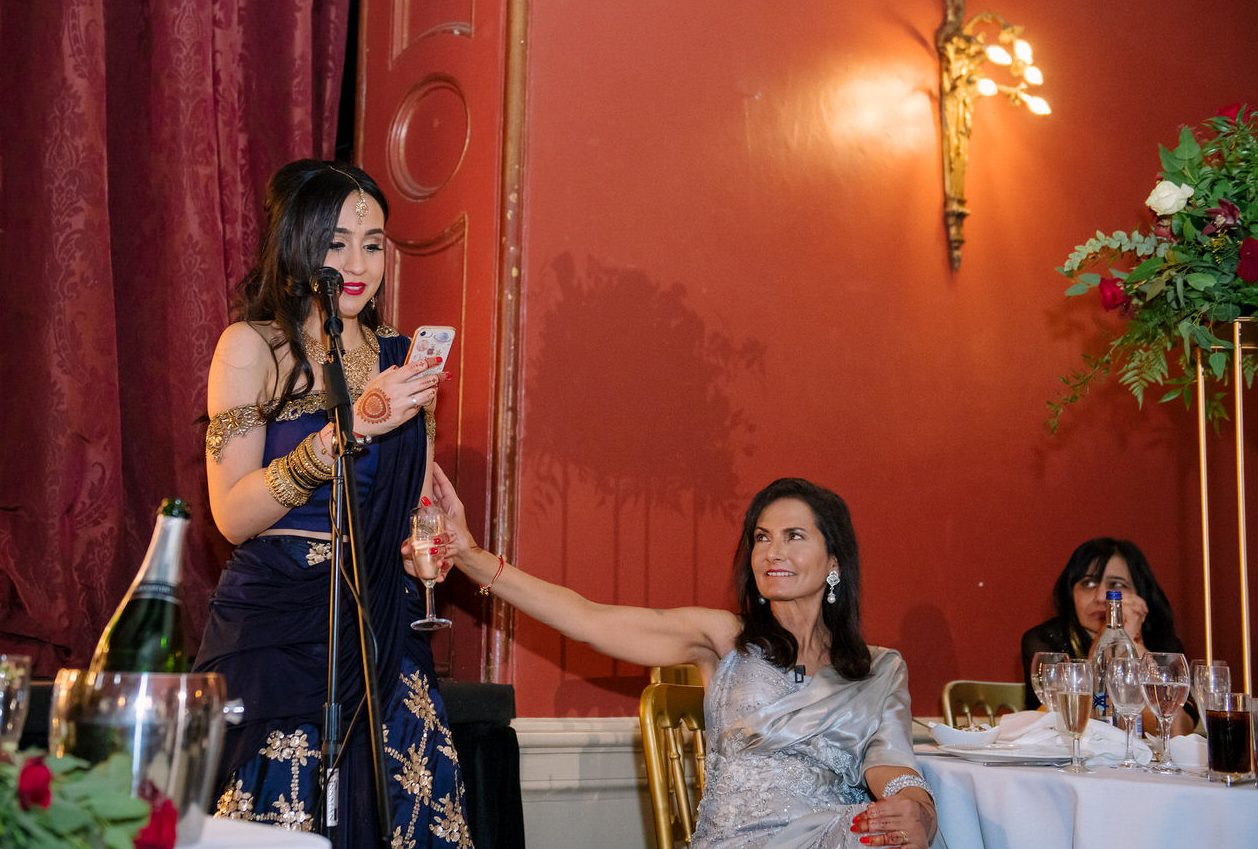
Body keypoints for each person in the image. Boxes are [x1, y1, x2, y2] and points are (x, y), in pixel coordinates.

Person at [432, 471, 941, 849]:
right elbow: (587, 619)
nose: (771, 552)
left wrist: (916, 810)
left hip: (832, 836)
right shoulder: (725, 639)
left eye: (794, 537)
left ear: (835, 561)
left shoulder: (878, 668)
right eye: (762, 537)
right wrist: (469, 554)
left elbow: (892, 766)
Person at [193, 160, 471, 848]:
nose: (357, 262)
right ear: (295, 246)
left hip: (380, 626)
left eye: (373, 243)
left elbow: (408, 509)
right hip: (279, 624)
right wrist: (341, 436)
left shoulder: (405, 362)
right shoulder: (253, 348)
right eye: (336, 240)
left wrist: (426, 548)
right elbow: (231, 514)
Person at [1020, 537, 1195, 733]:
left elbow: (1174, 731)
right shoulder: (1045, 639)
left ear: (1140, 593)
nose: (1102, 597)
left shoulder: (1164, 644)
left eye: (1116, 585)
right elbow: (1064, 724)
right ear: (1071, 593)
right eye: (1088, 583)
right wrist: (1109, 640)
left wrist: (1132, 643)